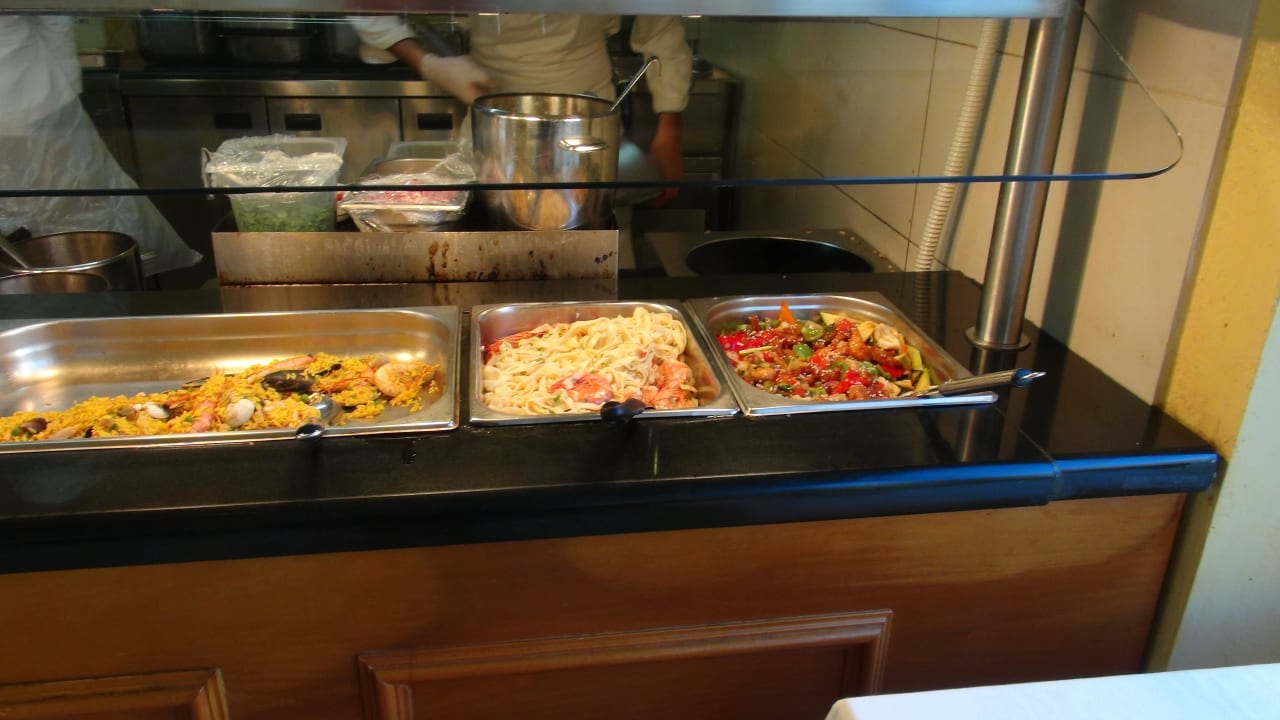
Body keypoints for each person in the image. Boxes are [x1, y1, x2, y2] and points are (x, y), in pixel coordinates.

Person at [348, 13, 693, 206]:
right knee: (496, 237)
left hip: (587, 116)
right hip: (493, 114)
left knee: (592, 238)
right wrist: (429, 64)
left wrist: (671, 128)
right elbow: (368, 10)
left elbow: (662, 29)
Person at [0, 16, 201, 277]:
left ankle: (96, 279)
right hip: (38, 100)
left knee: (79, 201)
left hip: (40, 102)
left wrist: (67, 90)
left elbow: (54, 18)